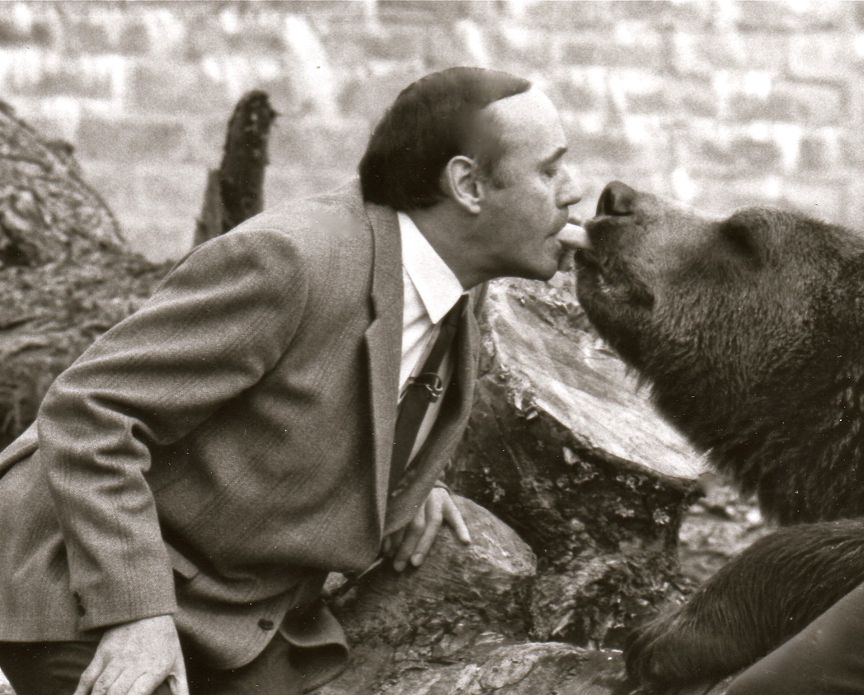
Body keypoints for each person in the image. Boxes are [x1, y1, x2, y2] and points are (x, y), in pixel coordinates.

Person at [0, 67, 584, 695]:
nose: (574, 193)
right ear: (467, 184)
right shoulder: (291, 260)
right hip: (75, 587)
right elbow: (89, 412)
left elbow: (341, 392)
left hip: (235, 620)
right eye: (549, 171)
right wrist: (137, 613)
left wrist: (403, 476)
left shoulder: (452, 286)